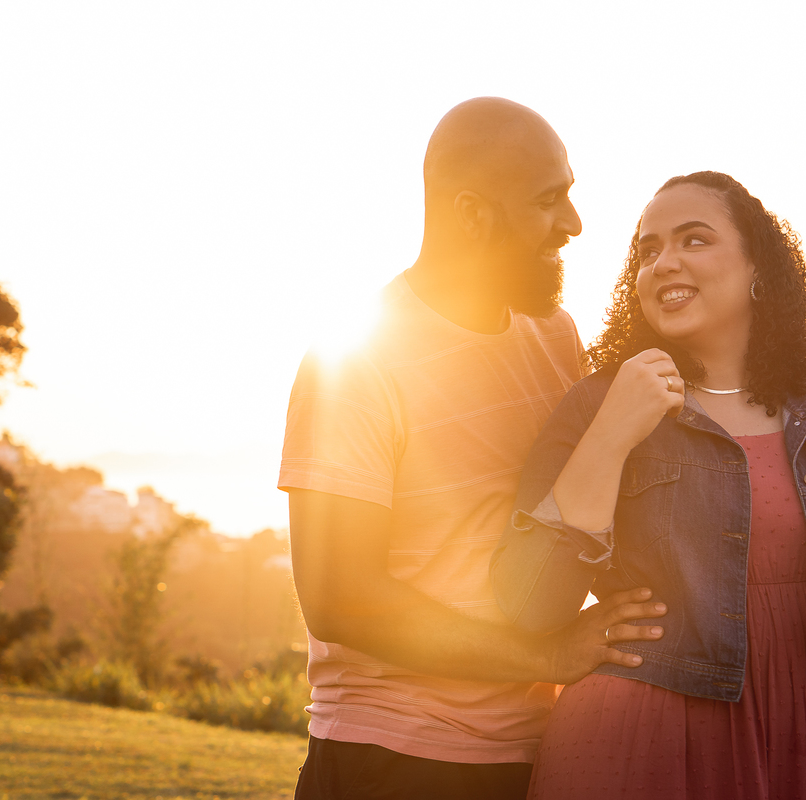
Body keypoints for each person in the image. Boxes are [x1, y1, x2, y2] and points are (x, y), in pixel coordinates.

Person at [492, 171, 806, 799]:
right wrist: (609, 435)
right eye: (647, 250)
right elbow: (529, 603)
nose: (663, 262)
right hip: (638, 744)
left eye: (694, 240)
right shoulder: (597, 402)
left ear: (759, 264)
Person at [279, 97, 668, 800]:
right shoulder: (355, 361)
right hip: (391, 761)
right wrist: (546, 652)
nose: (575, 224)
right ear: (471, 212)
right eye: (549, 201)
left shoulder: (554, 335)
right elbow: (340, 597)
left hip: (534, 753)